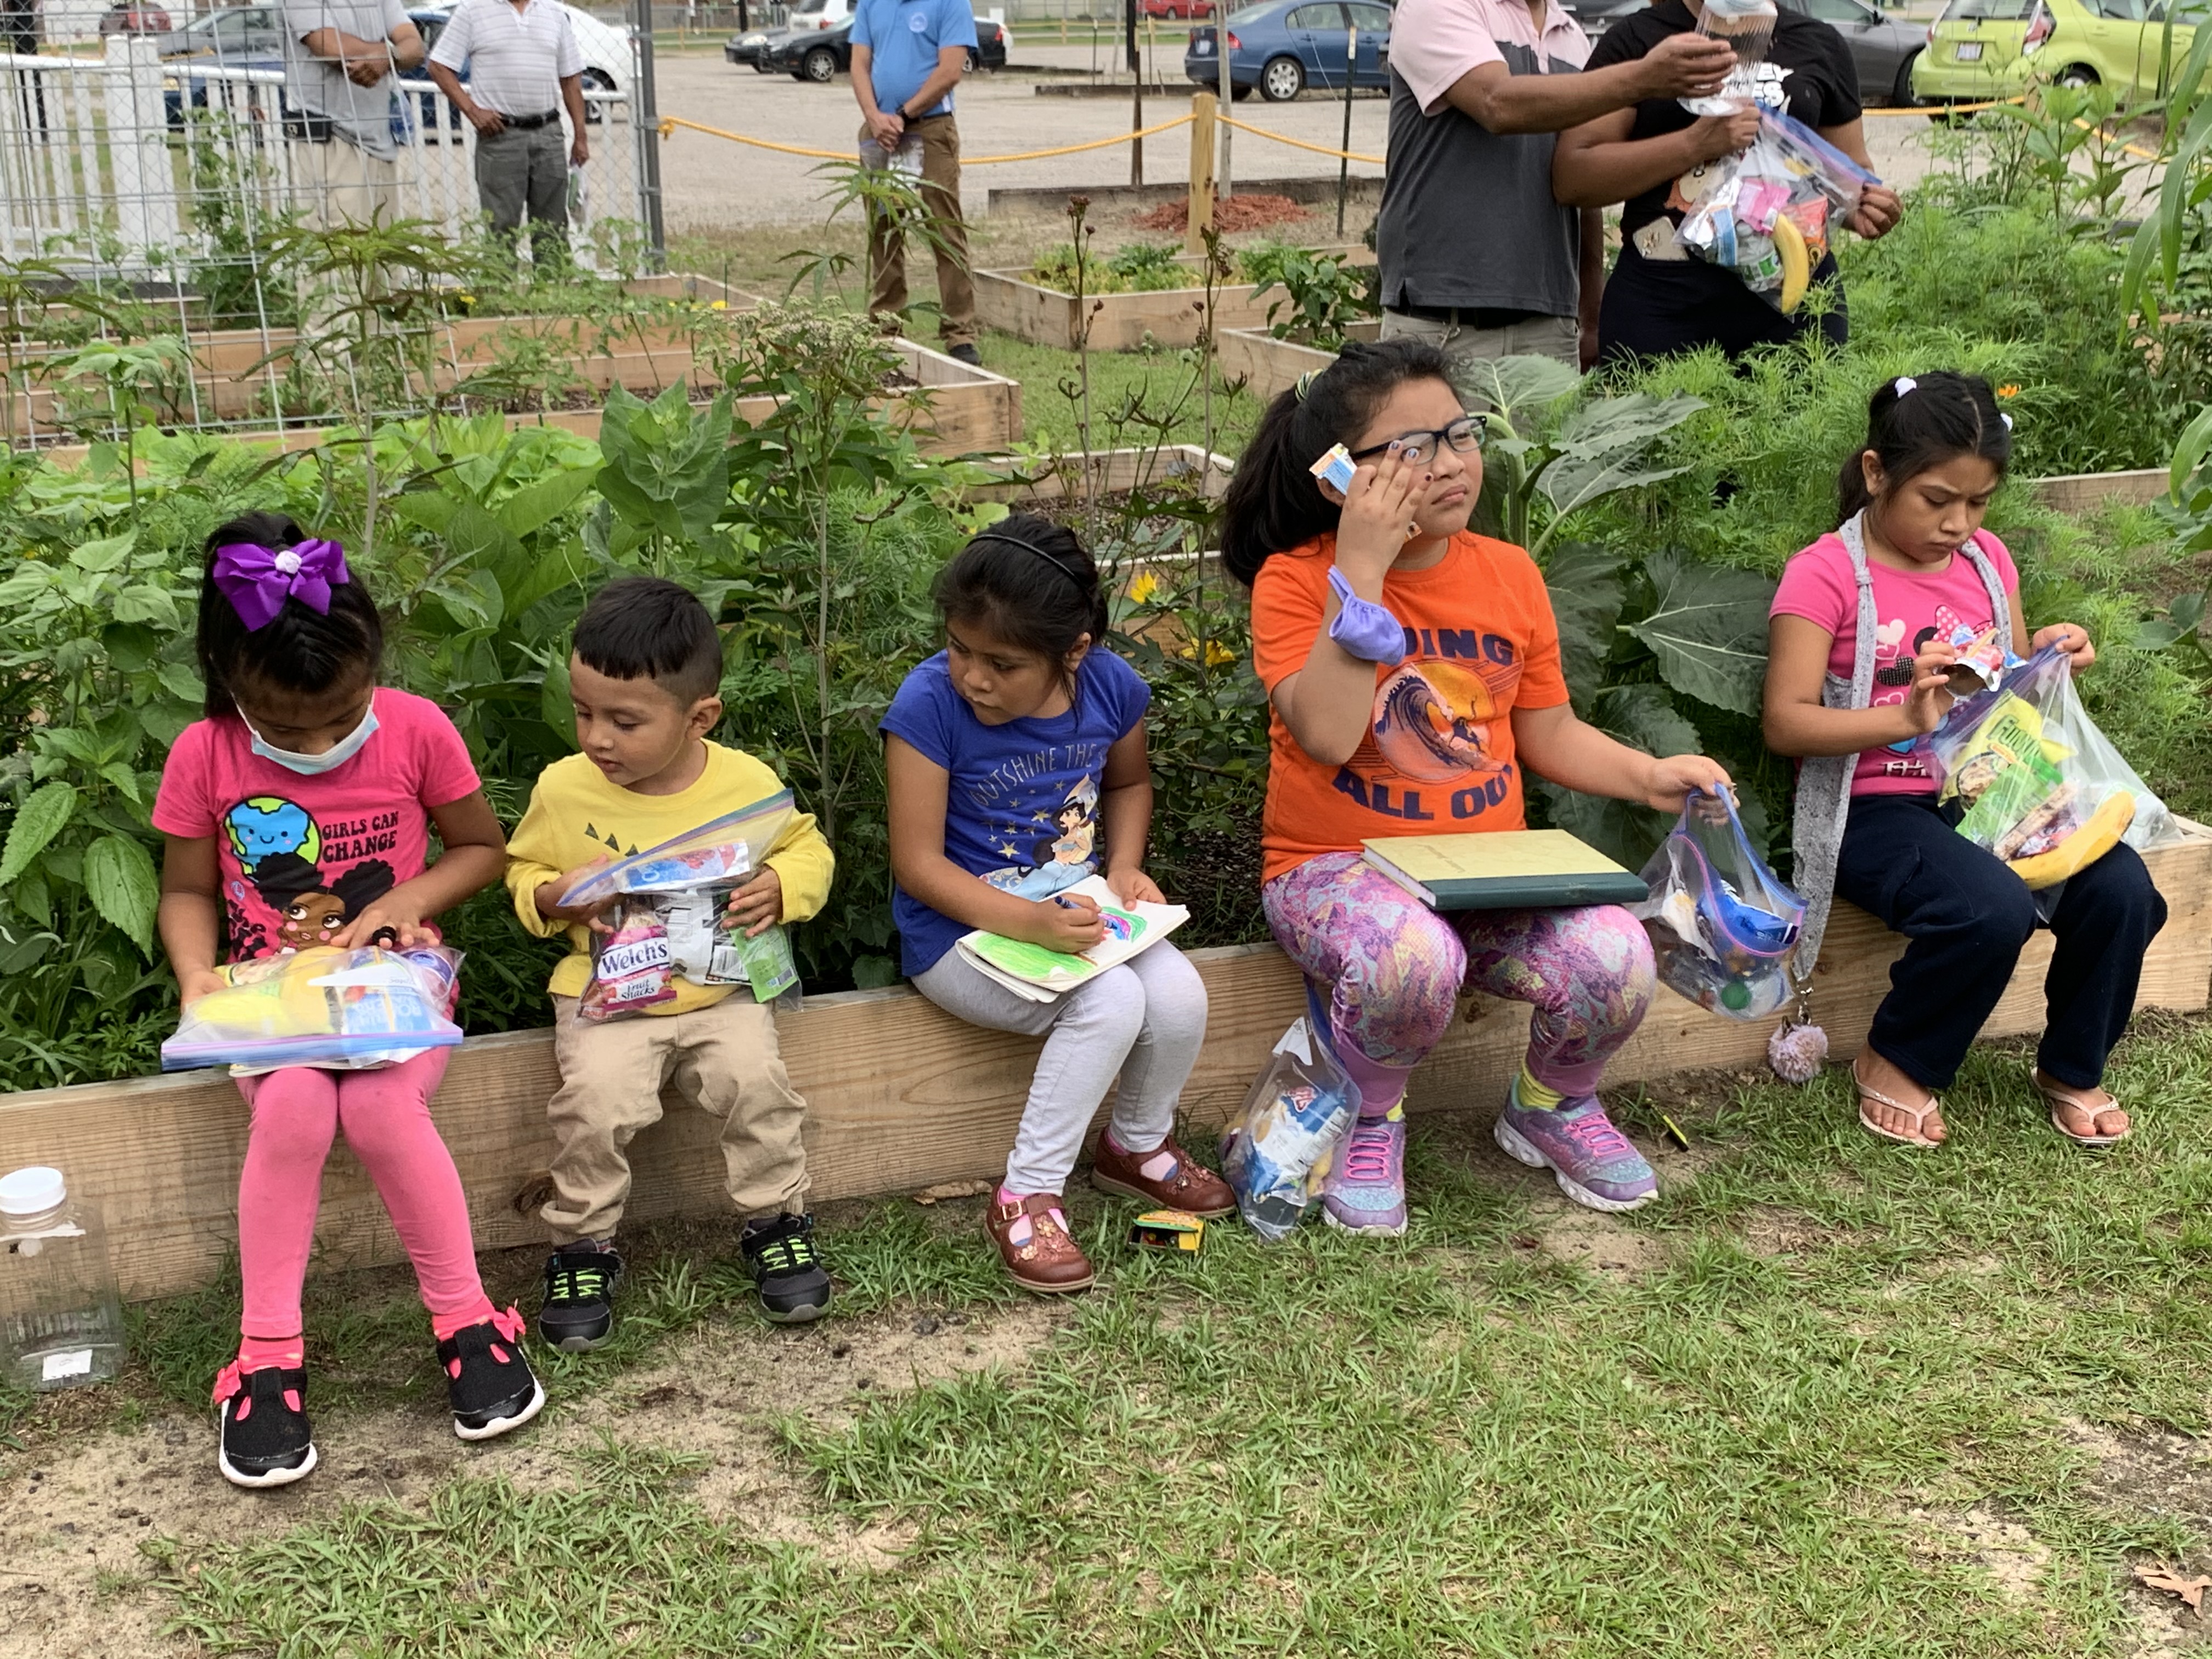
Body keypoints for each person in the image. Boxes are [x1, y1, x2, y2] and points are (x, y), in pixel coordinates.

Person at [1220, 341, 1733, 1228]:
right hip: (1331, 869)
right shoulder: (1296, 581)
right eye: (1412, 448)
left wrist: (1649, 773)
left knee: (1617, 953)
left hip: (1482, 872)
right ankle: (1372, 1115)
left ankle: (1551, 1104)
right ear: (1341, 478)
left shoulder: (1509, 575)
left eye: (1458, 432)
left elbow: (1547, 731)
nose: (1452, 462)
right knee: (1412, 959)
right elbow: (1331, 736)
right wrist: (1362, 574)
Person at [153, 511, 542, 1489]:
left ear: (372, 663)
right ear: (228, 681)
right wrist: (198, 976)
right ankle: (266, 1358)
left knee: (374, 1104)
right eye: (287, 728)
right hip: (270, 1000)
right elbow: (188, 889)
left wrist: (407, 904)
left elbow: (481, 848)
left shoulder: (414, 728)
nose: (321, 741)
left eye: (343, 713)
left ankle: (468, 1322)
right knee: (291, 1104)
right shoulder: (204, 754)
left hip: (394, 990)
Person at [1764, 373, 2165, 1150]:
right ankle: (1897, 1057)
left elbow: (2005, 676)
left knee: (2123, 890)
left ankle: (2073, 1067)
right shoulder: (1825, 573)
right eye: (1938, 499)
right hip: (1873, 808)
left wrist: (2051, 653)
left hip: (1989, 789)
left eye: (1977, 504)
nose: (1958, 523)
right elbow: (1784, 722)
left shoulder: (1988, 561)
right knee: (1990, 908)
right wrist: (1899, 717)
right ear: (1878, 473)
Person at [883, 515, 1235, 1294]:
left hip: (1076, 914)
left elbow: (1128, 783)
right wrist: (1029, 921)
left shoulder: (1110, 687)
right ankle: (1027, 1195)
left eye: (1002, 664)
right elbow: (915, 864)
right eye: (960, 648)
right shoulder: (928, 705)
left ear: (1074, 651)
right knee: (1109, 1003)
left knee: (1179, 994)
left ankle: (1135, 1150)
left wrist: (1126, 867)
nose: (974, 676)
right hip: (958, 933)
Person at [505, 578, 838, 1348]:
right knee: (593, 1101)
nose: (597, 738)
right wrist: (554, 898)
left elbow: (806, 845)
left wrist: (783, 886)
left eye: (625, 721)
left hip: (722, 992)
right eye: (583, 712)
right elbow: (521, 873)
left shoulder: (747, 786)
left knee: (757, 1085)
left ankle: (776, 1221)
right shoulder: (563, 790)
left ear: (700, 717)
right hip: (606, 994)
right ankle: (581, 1244)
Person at [1375, 0, 1737, 376]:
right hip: (1444, 322)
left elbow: (1581, 193)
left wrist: (1592, 317)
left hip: (1548, 325)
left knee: (1548, 438)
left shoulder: (1570, 37)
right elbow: (1497, 103)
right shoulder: (1435, 7)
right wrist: (1643, 79)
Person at [1553, 0, 1904, 366]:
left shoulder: (1820, 43)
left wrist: (1866, 208)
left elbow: (1851, 176)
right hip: (1663, 302)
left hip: (1796, 301)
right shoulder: (1638, 41)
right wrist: (1694, 145)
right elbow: (1573, 178)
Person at [850, 0, 980, 366]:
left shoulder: (951, 3)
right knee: (883, 225)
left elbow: (950, 71)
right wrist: (875, 118)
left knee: (944, 228)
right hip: (880, 135)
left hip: (931, 129)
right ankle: (886, 326)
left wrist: (904, 115)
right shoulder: (871, 4)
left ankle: (960, 332)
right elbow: (859, 65)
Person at [426, 0, 590, 269]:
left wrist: (580, 137)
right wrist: (473, 111)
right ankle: (500, 303)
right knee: (500, 227)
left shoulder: (555, 15)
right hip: (501, 136)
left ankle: (554, 301)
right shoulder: (472, 10)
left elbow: (571, 78)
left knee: (553, 228)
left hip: (549, 134)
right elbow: (439, 66)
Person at [280, 0, 425, 229]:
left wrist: (389, 56)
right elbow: (329, 48)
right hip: (332, 138)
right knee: (340, 252)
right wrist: (391, 54)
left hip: (380, 139)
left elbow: (415, 46)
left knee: (385, 254)